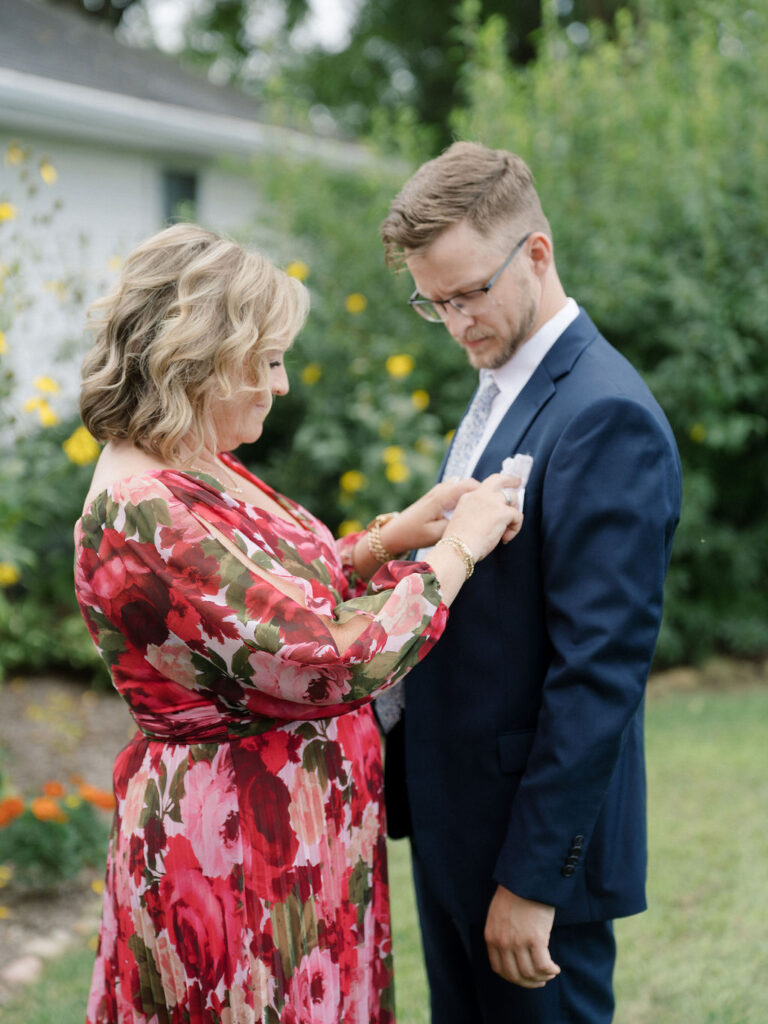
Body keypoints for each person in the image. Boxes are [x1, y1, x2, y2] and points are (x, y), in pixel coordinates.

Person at [73, 222, 522, 1024]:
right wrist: (458, 549)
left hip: (295, 843)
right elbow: (324, 660)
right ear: (202, 358)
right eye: (268, 361)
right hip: (235, 857)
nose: (279, 386)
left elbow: (268, 598)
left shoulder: (190, 455)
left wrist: (393, 536)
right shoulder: (146, 510)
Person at [377, 142, 682, 1023]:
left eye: (469, 292)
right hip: (457, 821)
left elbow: (600, 672)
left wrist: (532, 879)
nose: (457, 321)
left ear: (536, 254)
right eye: (434, 304)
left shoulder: (605, 414)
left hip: (526, 850)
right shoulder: (504, 384)